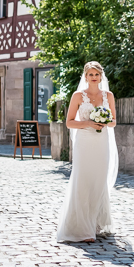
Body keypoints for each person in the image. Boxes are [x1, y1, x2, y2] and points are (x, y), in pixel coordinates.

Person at [55, 61, 118, 243]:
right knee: (82, 180)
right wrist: (89, 123)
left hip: (101, 142)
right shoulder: (77, 96)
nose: (93, 77)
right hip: (84, 142)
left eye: (96, 74)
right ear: (85, 76)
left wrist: (104, 121)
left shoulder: (109, 96)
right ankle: (81, 229)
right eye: (90, 74)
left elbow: (113, 121)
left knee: (98, 181)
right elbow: (69, 123)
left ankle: (96, 224)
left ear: (101, 76)